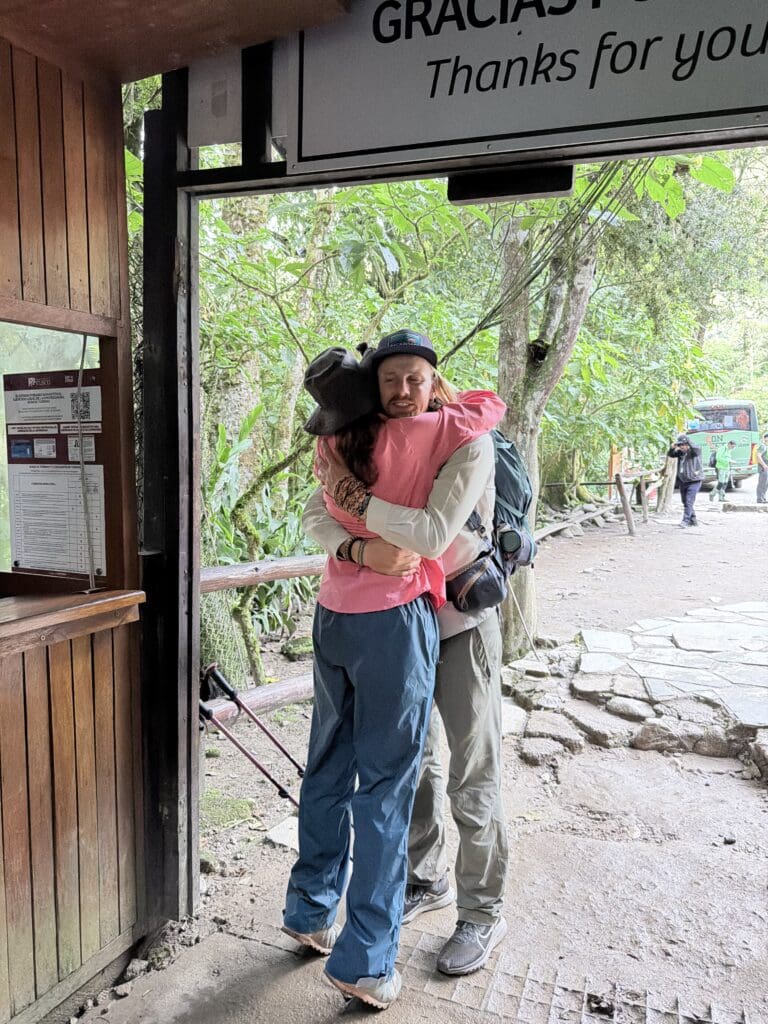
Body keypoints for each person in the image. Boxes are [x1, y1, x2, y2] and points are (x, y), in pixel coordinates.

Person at [282, 343, 505, 1009]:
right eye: (390, 380)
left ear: (435, 381)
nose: (404, 390)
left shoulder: (457, 436)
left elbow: (429, 534)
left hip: (452, 618)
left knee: (464, 766)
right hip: (393, 619)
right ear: (371, 388)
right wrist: (361, 544)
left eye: (415, 379)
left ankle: (480, 910)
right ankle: (381, 926)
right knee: (397, 778)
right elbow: (320, 512)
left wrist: (356, 506)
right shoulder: (370, 435)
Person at [667, 433, 703, 527]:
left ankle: (685, 521)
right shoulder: (680, 453)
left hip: (694, 480)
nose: (681, 447)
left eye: (683, 445)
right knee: (685, 501)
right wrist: (672, 448)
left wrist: (686, 439)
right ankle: (693, 520)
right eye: (680, 445)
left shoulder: (695, 451)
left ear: (687, 444)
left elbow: (695, 448)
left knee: (689, 501)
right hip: (683, 480)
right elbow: (670, 455)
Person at [757, 432, 768, 504]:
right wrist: (764, 465)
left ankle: (763, 498)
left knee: (765, 484)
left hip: (766, 468)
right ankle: (760, 499)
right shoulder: (763, 446)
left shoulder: (766, 446)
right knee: (762, 484)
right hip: (763, 468)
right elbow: (758, 456)